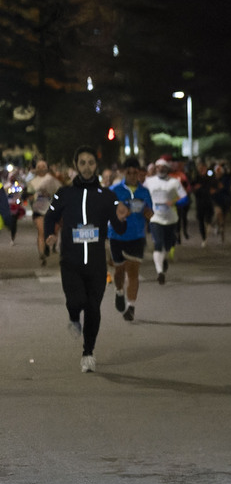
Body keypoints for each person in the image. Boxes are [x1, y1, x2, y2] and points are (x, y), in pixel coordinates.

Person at [43, 146, 129, 372]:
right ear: (76, 166)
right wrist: (50, 233)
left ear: (96, 166)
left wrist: (121, 218)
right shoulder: (64, 194)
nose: (87, 167)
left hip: (96, 263)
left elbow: (119, 229)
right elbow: (50, 215)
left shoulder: (107, 196)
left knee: (93, 307)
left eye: (91, 162)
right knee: (76, 302)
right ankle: (73, 317)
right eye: (82, 162)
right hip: (70, 261)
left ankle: (88, 352)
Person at [108, 158, 154, 322]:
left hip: (137, 236)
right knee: (119, 271)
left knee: (133, 271)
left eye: (136, 172)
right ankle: (119, 291)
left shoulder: (144, 192)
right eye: (129, 172)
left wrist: (148, 214)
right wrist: (119, 212)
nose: (133, 175)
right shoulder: (114, 190)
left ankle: (131, 307)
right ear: (124, 172)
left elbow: (149, 211)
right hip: (117, 235)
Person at [143, 158, 186, 284]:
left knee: (168, 245)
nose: (160, 169)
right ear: (155, 169)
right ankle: (160, 272)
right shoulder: (149, 181)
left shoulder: (174, 182)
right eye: (158, 167)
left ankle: (164, 259)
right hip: (155, 218)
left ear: (167, 169)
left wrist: (173, 202)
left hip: (171, 219)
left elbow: (185, 198)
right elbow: (142, 194)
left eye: (163, 168)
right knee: (158, 243)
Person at [27, 160, 60, 264]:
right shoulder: (32, 182)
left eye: (43, 166)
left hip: (51, 210)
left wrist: (50, 195)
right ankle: (42, 254)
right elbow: (29, 196)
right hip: (38, 211)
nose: (41, 168)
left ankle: (47, 246)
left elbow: (60, 194)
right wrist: (35, 196)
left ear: (47, 168)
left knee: (52, 231)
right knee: (41, 231)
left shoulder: (53, 181)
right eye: (39, 167)